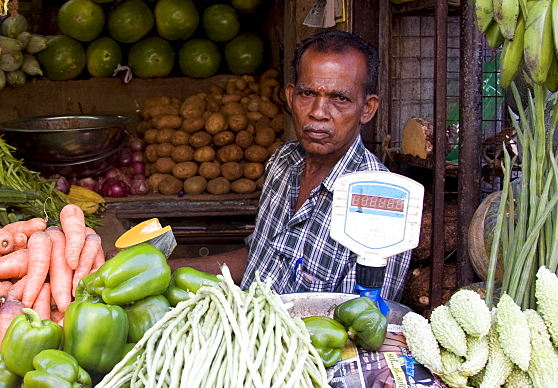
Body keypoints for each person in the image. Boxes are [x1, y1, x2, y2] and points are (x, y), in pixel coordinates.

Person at [169, 30, 412, 301]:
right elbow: (260, 258)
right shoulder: (284, 161)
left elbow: (365, 319)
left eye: (340, 99)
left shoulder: (381, 201)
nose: (318, 112)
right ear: (290, 96)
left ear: (367, 108)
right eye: (307, 94)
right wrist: (167, 270)